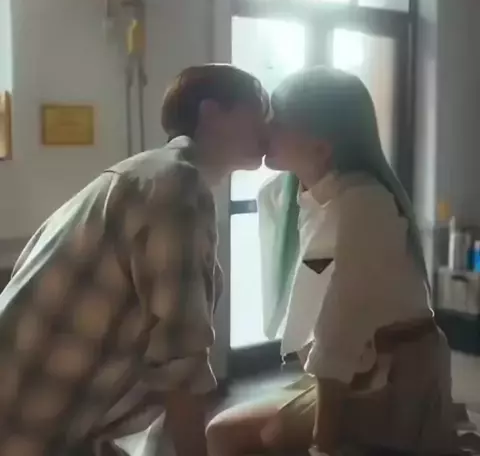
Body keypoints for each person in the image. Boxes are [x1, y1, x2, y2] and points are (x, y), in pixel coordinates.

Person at [0, 64, 268, 456]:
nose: (268, 124)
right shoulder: (176, 184)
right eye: (258, 109)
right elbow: (180, 358)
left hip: (52, 419)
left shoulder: (144, 173)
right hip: (24, 424)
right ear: (211, 113)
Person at [207, 67, 457, 456]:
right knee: (230, 431)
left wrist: (321, 444)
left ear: (322, 147)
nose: (264, 128)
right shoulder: (292, 193)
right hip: (355, 369)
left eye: (277, 121)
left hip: (393, 379)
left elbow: (340, 331)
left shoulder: (364, 202)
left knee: (227, 434)